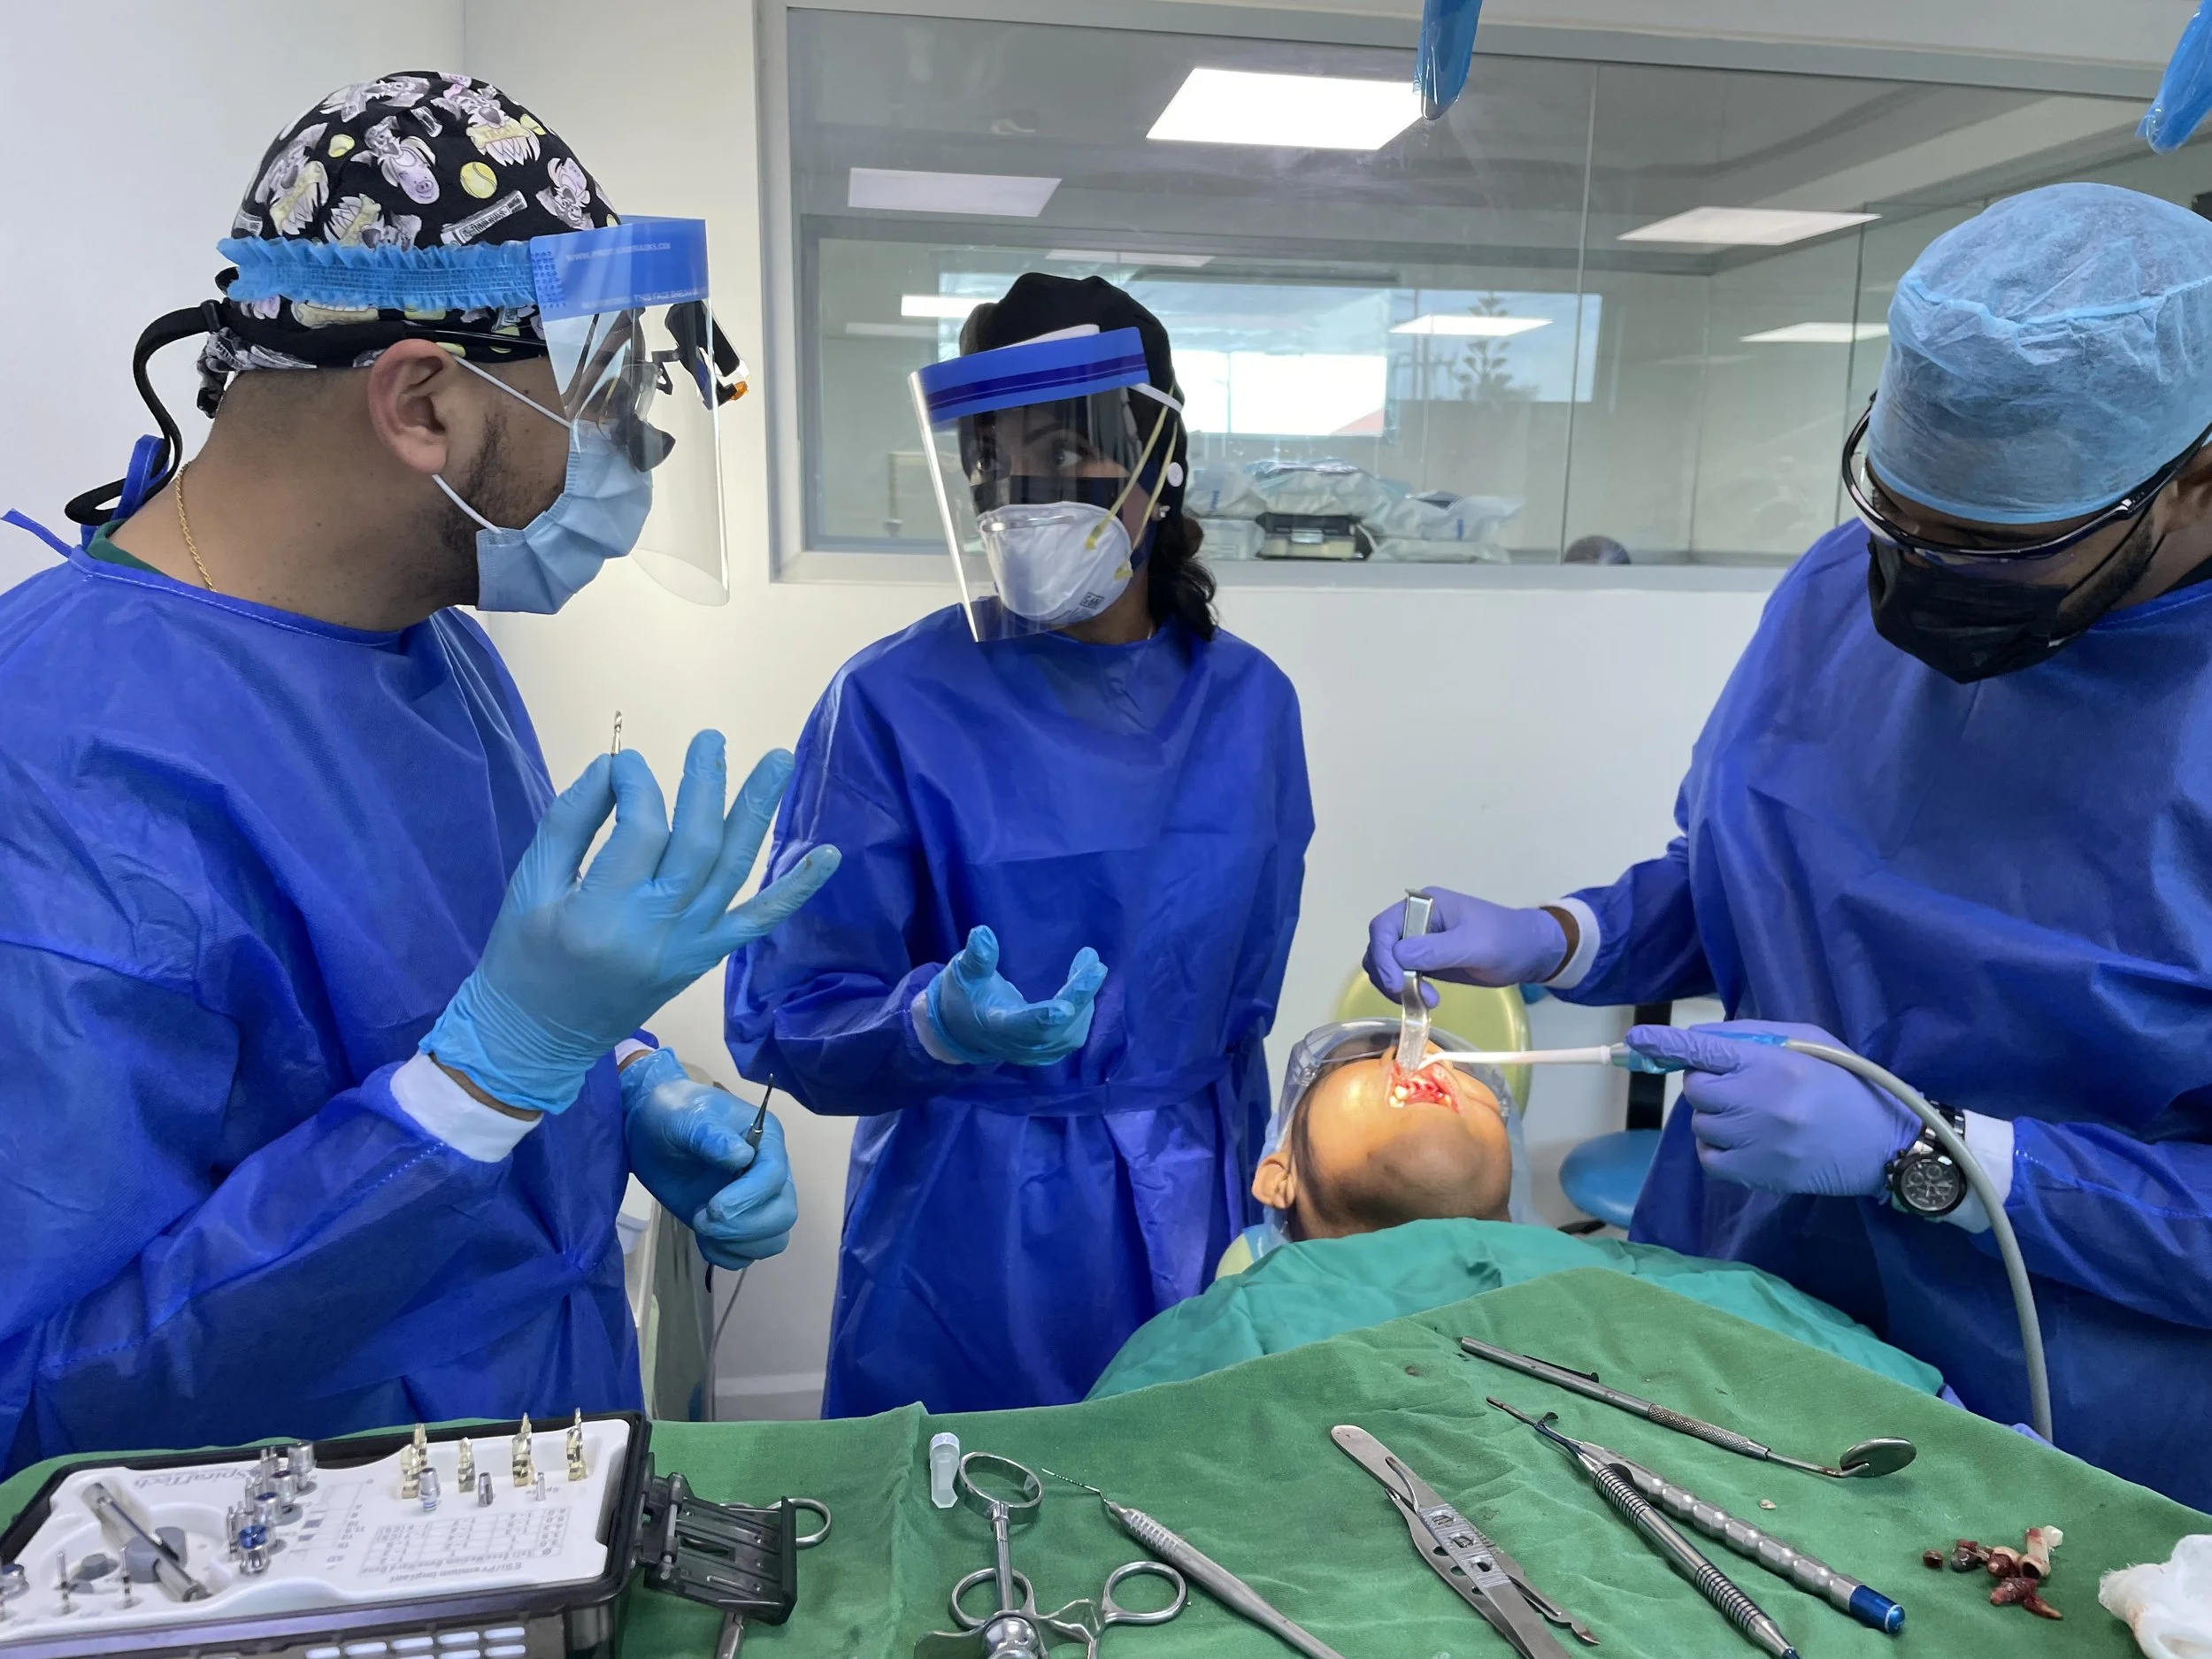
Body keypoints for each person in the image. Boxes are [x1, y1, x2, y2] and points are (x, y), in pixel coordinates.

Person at [0, 73, 837, 1475]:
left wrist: (622, 1074)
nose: (635, 448)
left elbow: (455, 987)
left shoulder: (430, 641)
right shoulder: (59, 766)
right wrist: (481, 1088)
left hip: (544, 1466)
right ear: (422, 403)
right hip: (298, 1550)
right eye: (605, 397)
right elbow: (41, 1408)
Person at [1363, 181, 2212, 1508]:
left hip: (2060, 1398)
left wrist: (1939, 1161)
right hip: (1744, 1296)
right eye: (1902, 518)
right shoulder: (1838, 591)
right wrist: (1564, 937)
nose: (1923, 577)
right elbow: (1758, 873)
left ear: (2196, 478)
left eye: (1995, 547)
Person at [726, 275, 1313, 1416]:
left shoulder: (1250, 705)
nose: (1021, 493)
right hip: (965, 1232)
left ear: (1159, 456)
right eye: (991, 458)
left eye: (1064, 447)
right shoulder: (891, 701)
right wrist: (929, 1026)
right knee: (951, 1503)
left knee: (1188, 1475)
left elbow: (1239, 998)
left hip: (1193, 1196)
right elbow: (791, 1010)